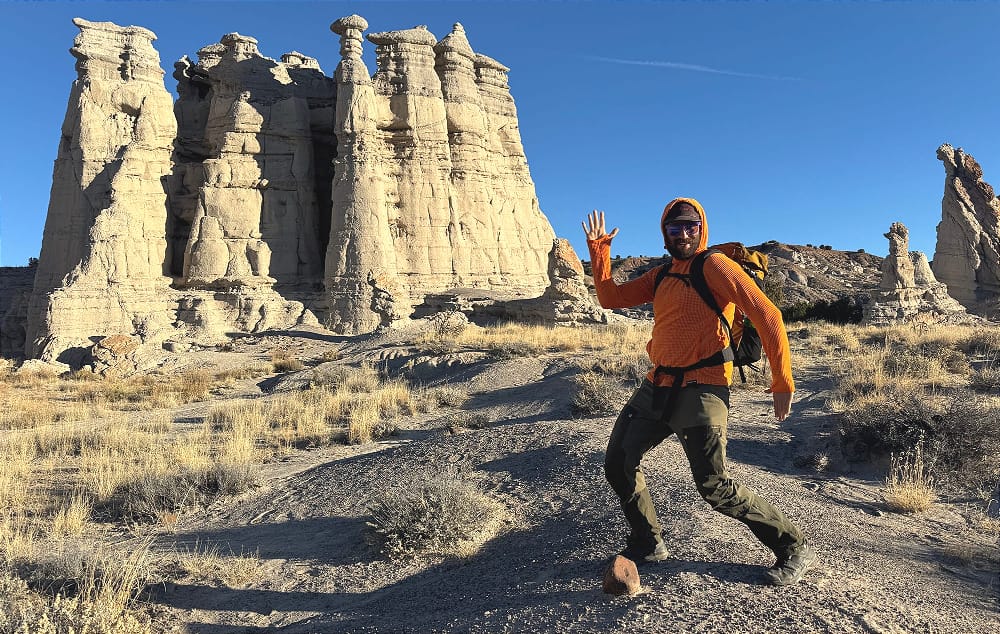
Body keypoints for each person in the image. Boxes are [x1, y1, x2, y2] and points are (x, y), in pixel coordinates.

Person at [582, 198, 816, 586]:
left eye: (691, 226)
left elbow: (768, 315)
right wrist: (600, 251)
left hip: (703, 387)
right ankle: (648, 541)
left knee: (714, 486)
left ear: (702, 228)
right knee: (619, 462)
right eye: (675, 228)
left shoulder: (715, 266)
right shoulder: (660, 276)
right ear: (665, 234)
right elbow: (610, 298)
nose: (684, 233)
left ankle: (793, 546)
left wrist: (781, 382)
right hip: (657, 384)